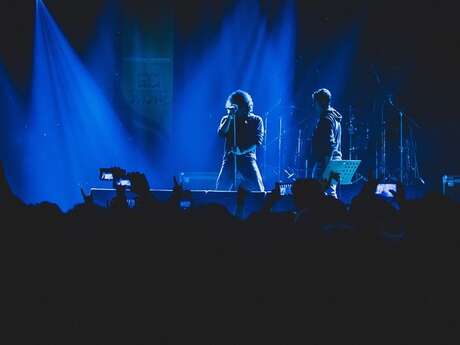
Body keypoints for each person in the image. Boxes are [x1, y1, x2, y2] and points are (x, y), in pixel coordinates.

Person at [216, 90, 265, 191]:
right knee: (221, 189)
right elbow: (221, 133)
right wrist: (230, 117)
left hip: (248, 158)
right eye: (244, 107)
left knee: (259, 189)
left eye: (248, 106)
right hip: (230, 158)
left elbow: (257, 142)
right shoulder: (227, 119)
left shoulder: (256, 120)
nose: (248, 109)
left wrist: (241, 151)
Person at [310, 88, 342, 198]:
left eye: (315, 102)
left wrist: (326, 169)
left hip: (326, 162)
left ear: (321, 102)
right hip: (336, 161)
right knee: (331, 193)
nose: (314, 106)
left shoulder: (326, 120)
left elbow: (330, 145)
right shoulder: (335, 117)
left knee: (320, 194)